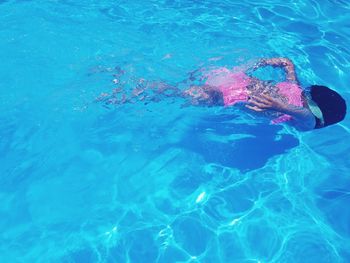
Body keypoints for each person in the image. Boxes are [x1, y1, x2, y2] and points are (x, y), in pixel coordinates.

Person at [97, 58, 347, 131]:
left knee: (181, 88)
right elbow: (303, 111)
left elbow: (288, 65)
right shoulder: (305, 119)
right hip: (225, 96)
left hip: (231, 83)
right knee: (176, 93)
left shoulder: (303, 110)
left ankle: (121, 76)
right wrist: (279, 106)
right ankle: (129, 89)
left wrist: (274, 63)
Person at [182, 58, 347, 131]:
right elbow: (287, 63)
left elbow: (305, 114)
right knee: (201, 80)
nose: (305, 94)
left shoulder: (307, 122)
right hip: (240, 82)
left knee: (203, 95)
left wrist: (280, 106)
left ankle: (169, 90)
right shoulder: (296, 89)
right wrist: (275, 62)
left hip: (233, 98)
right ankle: (176, 86)